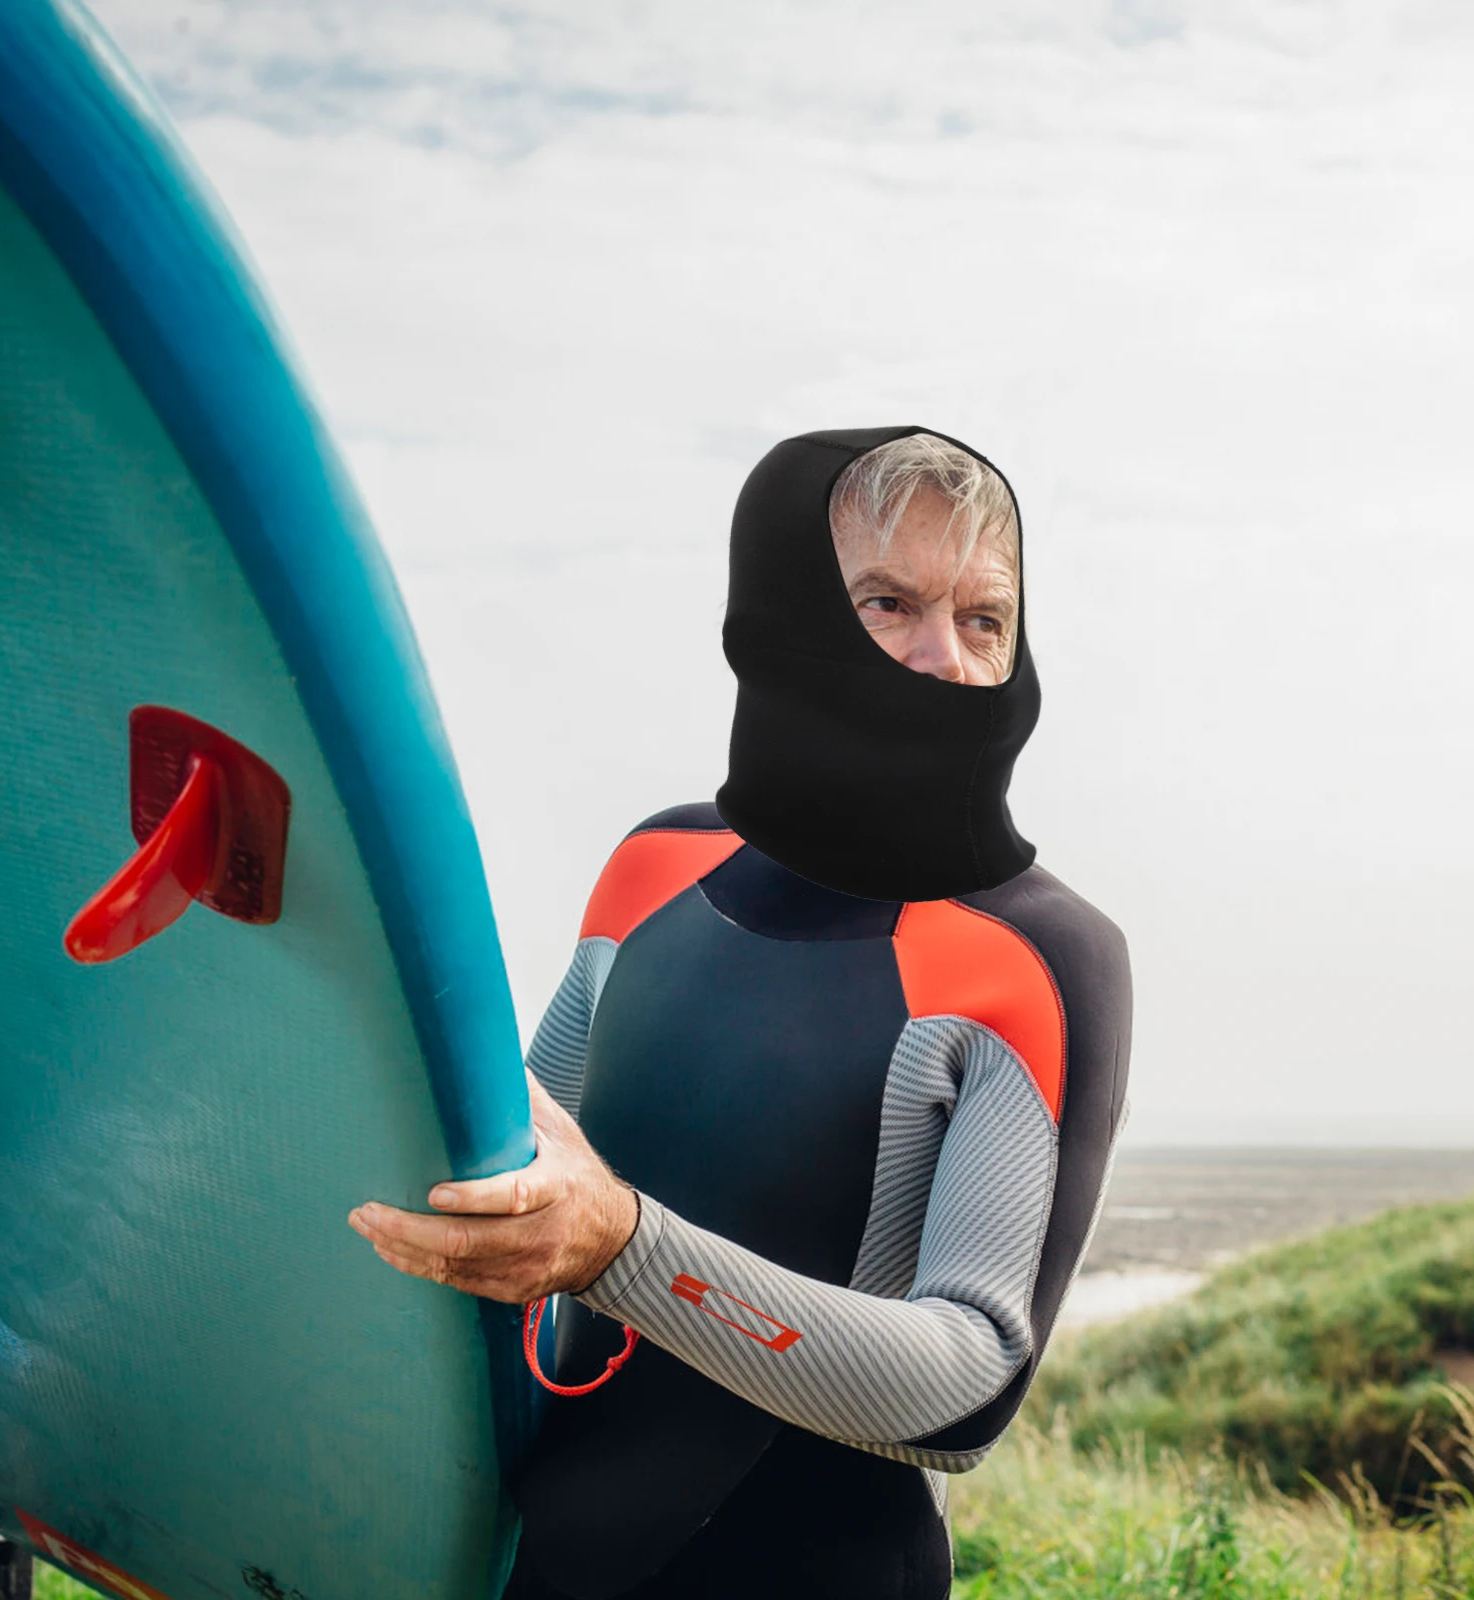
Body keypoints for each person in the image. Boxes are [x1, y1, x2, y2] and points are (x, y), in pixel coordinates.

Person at [349, 427, 1132, 1599]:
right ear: (781, 616)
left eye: (983, 619)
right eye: (887, 603)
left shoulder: (1040, 958)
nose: (948, 661)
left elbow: (969, 1385)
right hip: (547, 1559)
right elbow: (503, 1161)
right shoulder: (656, 868)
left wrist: (623, 1250)